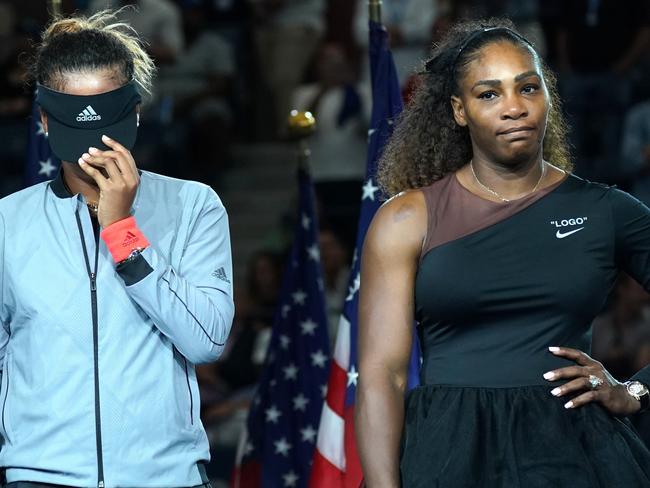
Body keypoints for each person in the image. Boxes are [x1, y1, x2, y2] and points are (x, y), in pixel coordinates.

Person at [356, 19, 650, 487]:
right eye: (489, 94)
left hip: (574, 453)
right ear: (459, 110)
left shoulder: (605, 209)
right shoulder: (406, 219)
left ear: (547, 98)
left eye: (527, 88)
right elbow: (383, 375)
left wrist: (636, 390)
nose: (513, 107)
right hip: (448, 452)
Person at [0, 11, 234, 488]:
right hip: (41, 476)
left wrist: (124, 232)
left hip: (165, 476)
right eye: (72, 118)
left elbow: (207, 340)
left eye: (106, 115)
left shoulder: (193, 205)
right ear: (45, 119)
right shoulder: (9, 220)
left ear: (135, 112)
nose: (93, 143)